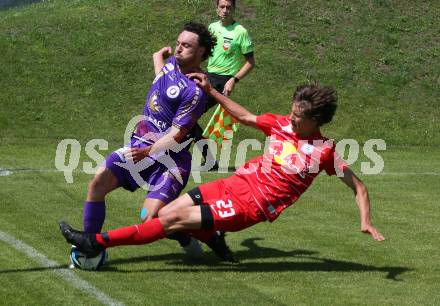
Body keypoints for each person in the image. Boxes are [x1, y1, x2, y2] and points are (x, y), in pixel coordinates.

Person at [59, 76, 385, 264]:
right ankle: (213, 237)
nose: (291, 118)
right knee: (167, 216)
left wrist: (366, 221)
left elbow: (359, 187)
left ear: (317, 121)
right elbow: (244, 117)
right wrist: (213, 92)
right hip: (233, 184)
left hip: (250, 206)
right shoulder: (281, 124)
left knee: (167, 221)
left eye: (299, 117)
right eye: (292, 112)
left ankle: (96, 242)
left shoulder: (324, 151)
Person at [79, 22, 217, 258]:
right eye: (178, 43)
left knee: (152, 219)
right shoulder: (172, 64)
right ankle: (89, 246)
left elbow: (177, 135)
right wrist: (157, 57)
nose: (179, 48)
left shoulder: (195, 91)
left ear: (201, 52)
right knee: (97, 184)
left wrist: (148, 151)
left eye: (186, 45)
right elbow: (163, 81)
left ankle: (196, 235)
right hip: (139, 148)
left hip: (170, 160)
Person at [192, 0, 255, 167]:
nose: (225, 10)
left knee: (187, 117)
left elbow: (250, 62)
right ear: (217, 8)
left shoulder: (240, 32)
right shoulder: (212, 28)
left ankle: (176, 154)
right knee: (187, 117)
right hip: (207, 76)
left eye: (228, 7)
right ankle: (209, 160)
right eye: (222, 7)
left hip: (222, 82)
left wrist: (233, 80)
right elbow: (202, 51)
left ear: (234, 9)